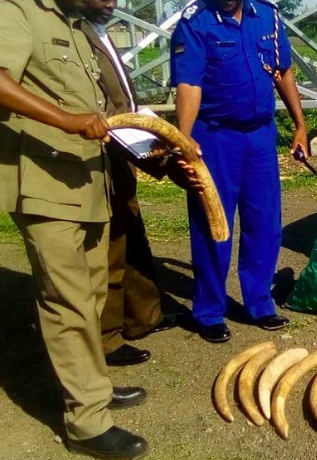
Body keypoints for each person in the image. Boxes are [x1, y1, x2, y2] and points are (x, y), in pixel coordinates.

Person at [0, 0, 148, 458]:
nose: (111, 3)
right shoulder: (17, 11)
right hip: (43, 185)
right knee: (66, 302)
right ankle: (86, 422)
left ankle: (93, 389)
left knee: (93, 295)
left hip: (87, 182)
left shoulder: (76, 24)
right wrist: (67, 121)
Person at [169, 0, 309, 343]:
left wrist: (300, 125)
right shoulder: (196, 22)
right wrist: (184, 142)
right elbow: (188, 85)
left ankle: (259, 303)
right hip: (216, 136)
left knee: (264, 221)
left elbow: (283, 71)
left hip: (261, 135)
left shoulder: (268, 16)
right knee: (213, 224)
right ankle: (209, 311)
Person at [79, 0, 198, 367]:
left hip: (124, 149)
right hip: (98, 154)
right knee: (110, 247)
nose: (110, 4)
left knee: (132, 235)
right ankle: (109, 338)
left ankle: (145, 318)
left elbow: (122, 99)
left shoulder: (98, 32)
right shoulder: (74, 33)